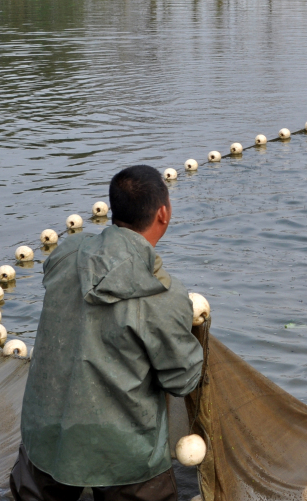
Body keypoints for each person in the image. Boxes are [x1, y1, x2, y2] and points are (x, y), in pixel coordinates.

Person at [12, 165, 203, 501]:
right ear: (164, 213)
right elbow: (182, 380)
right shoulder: (163, 295)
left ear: (113, 210)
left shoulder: (67, 253)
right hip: (125, 455)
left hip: (44, 437)